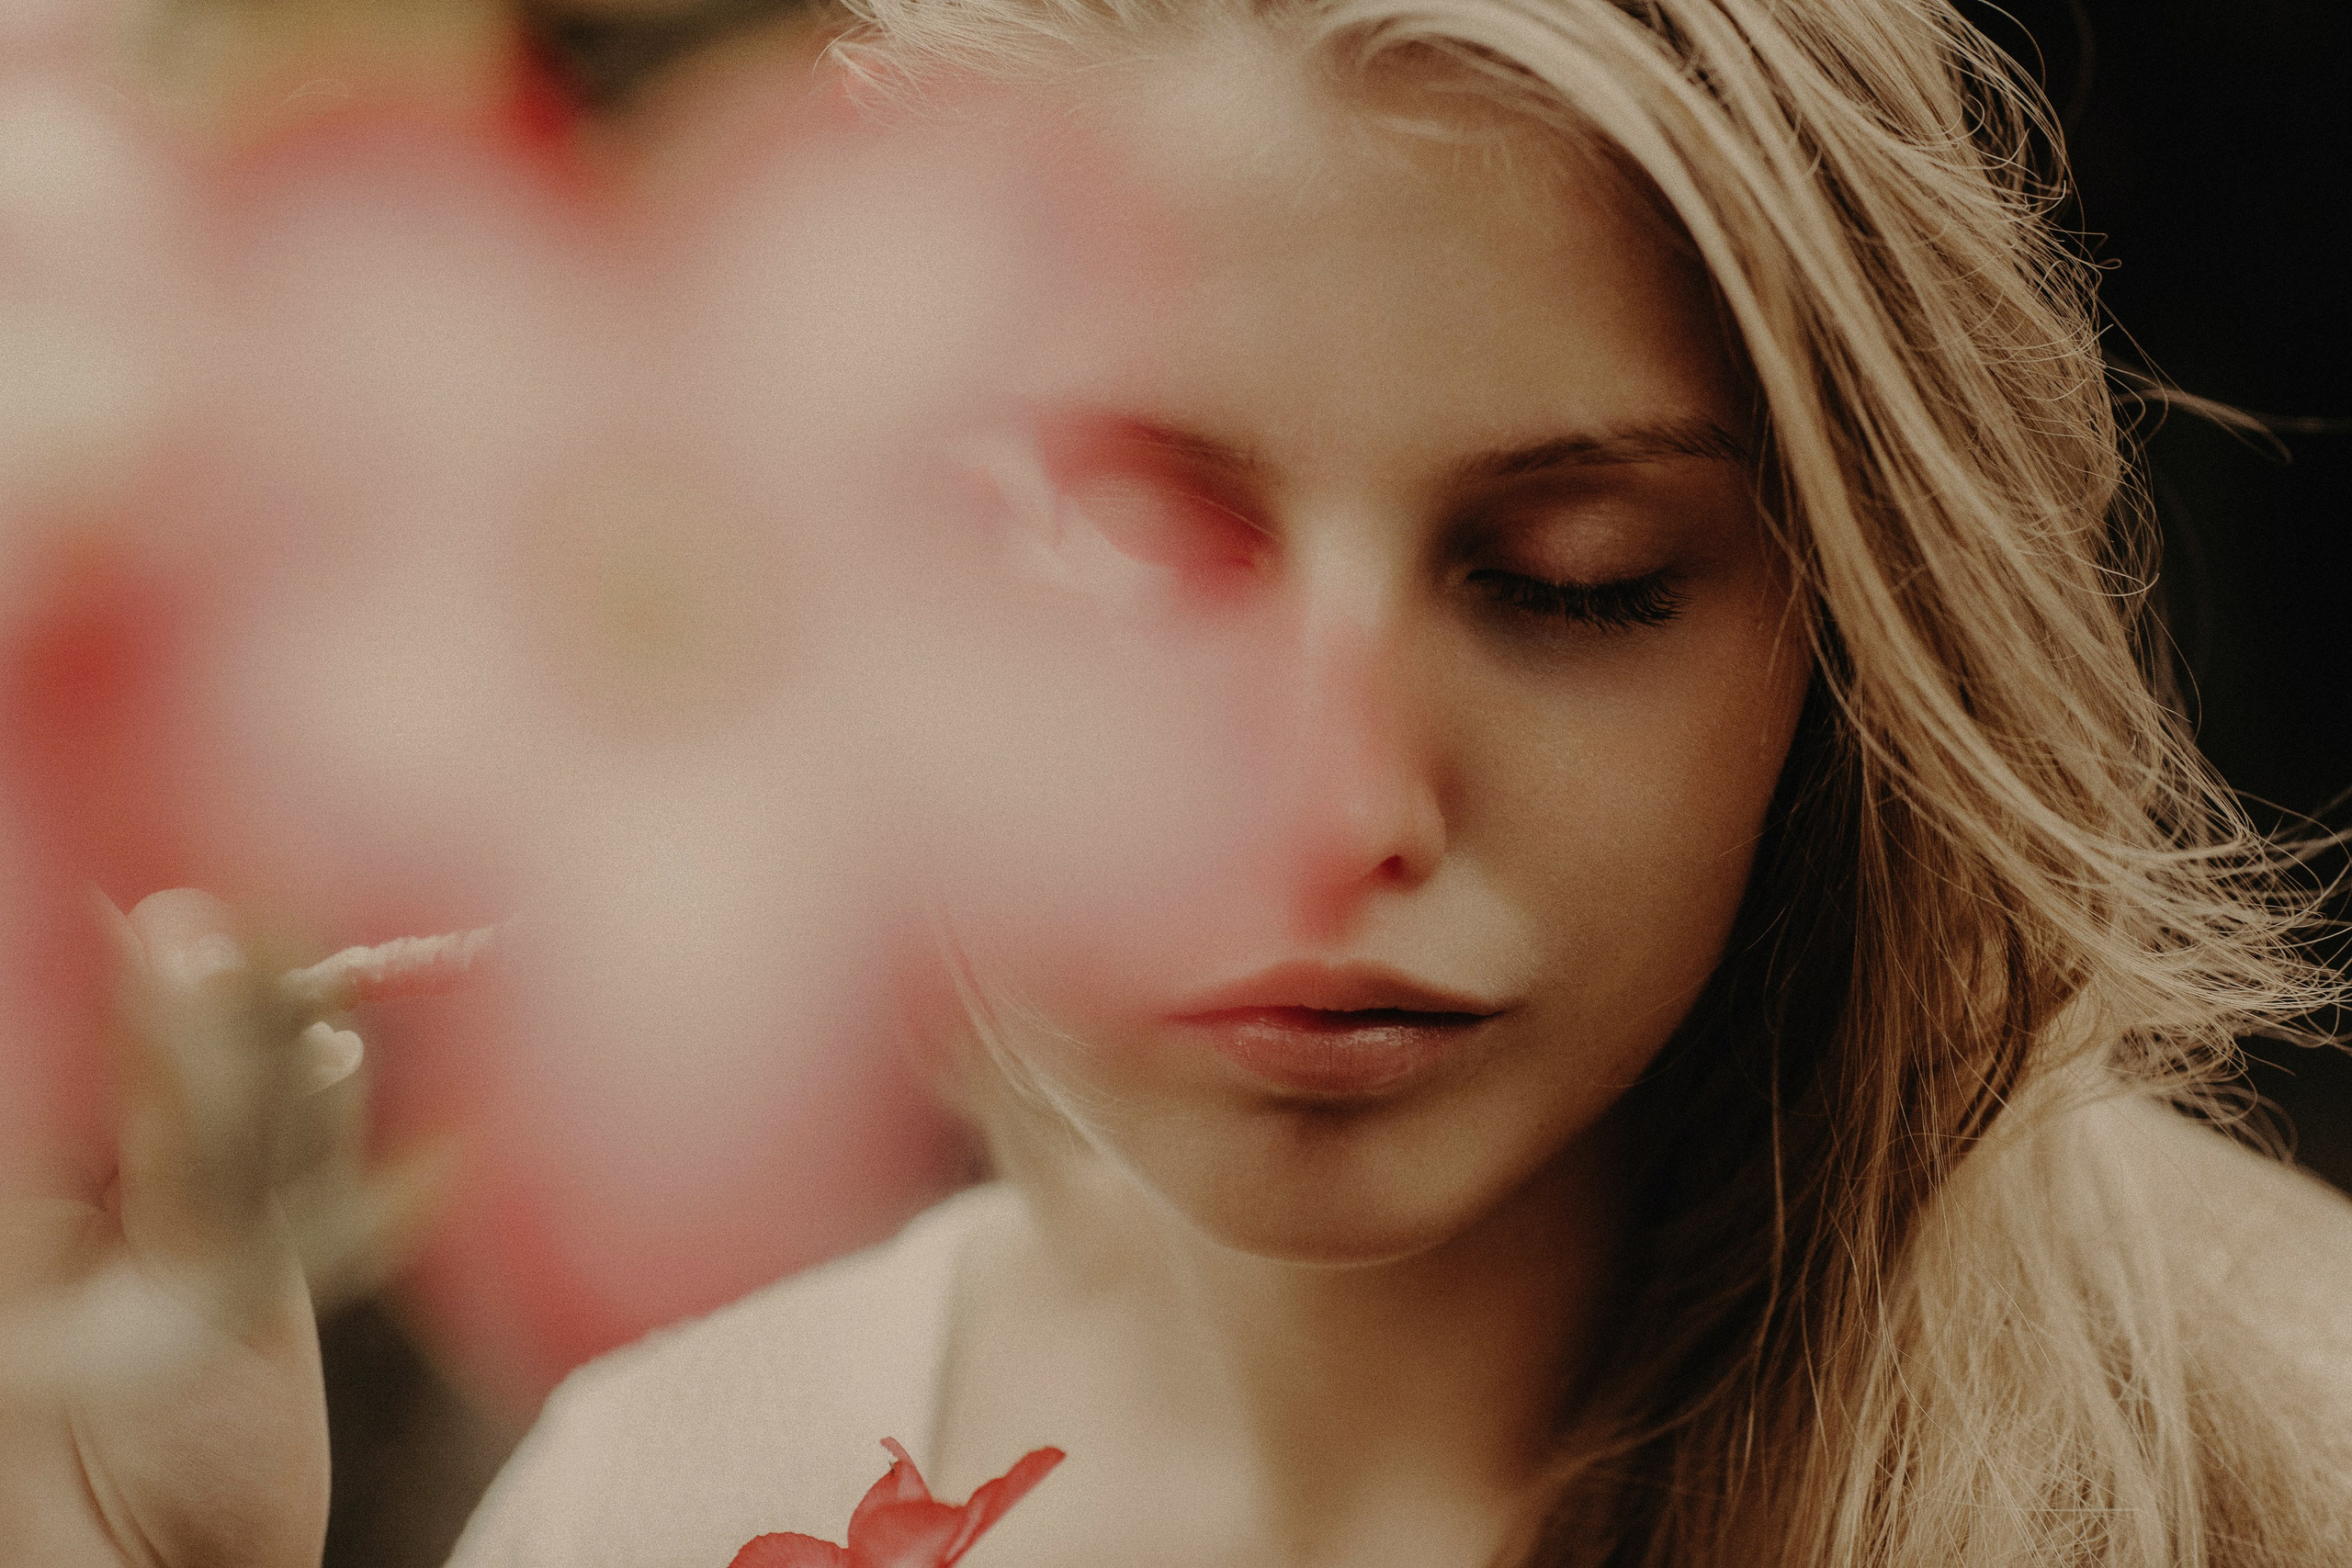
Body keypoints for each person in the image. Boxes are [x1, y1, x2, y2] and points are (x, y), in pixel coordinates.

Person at [6, 1, 2350, 1564]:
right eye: (1135, 557)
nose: (1321, 807)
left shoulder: (2278, 1435)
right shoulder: (655, 1494)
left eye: (1572, 576)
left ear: (1858, 635)